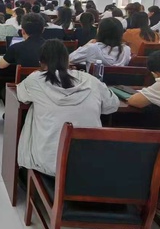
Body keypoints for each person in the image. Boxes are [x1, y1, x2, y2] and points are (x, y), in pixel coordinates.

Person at [17, 39, 119, 176]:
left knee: (33, 111)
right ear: (67, 60)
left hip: (49, 164)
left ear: (41, 62)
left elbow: (21, 96)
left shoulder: (35, 80)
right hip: (91, 163)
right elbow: (112, 106)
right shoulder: (89, 79)